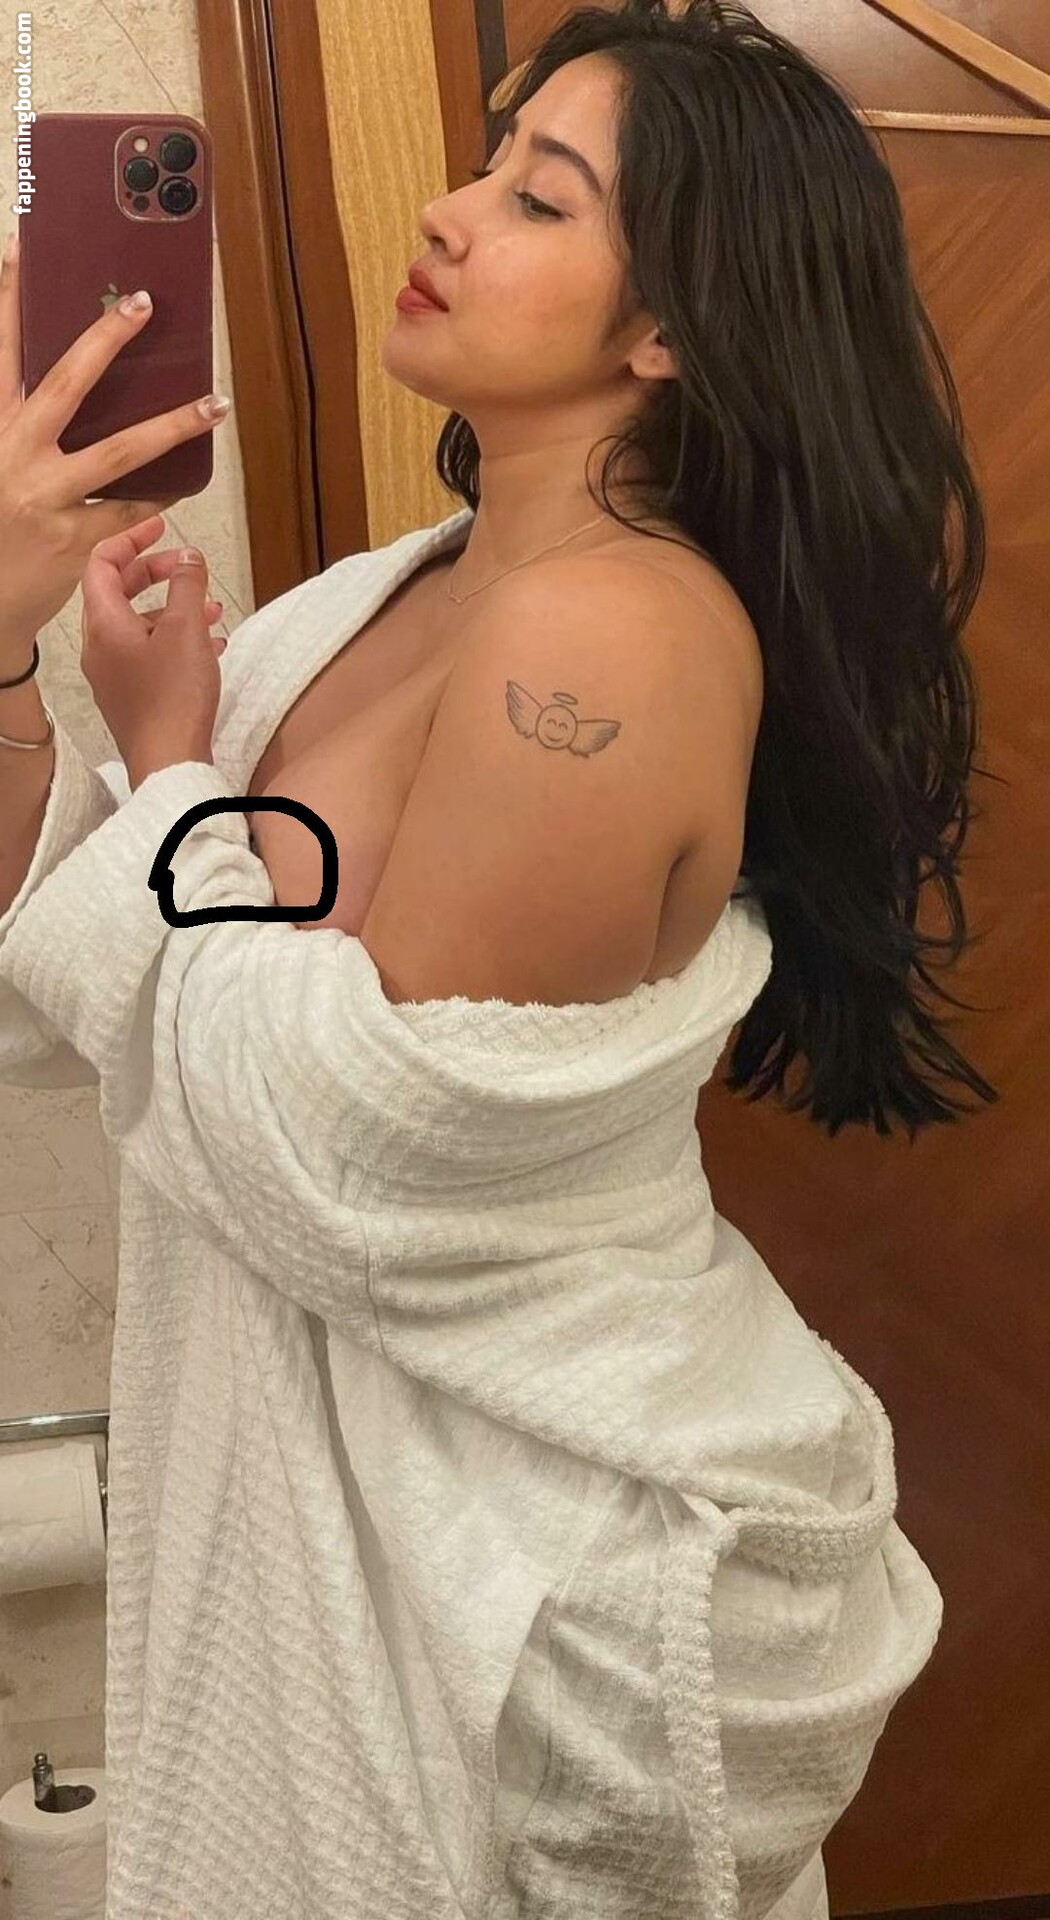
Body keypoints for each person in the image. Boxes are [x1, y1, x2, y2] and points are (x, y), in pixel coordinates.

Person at [2, 4, 991, 1915]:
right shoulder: (394, 593)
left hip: (517, 1573)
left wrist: (180, 759)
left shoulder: (607, 639)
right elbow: (89, 960)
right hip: (346, 1509)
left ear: (670, 324)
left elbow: (348, 1149)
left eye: (539, 196)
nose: (449, 213)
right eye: (482, 162)